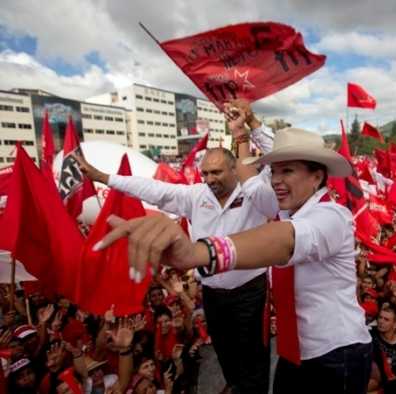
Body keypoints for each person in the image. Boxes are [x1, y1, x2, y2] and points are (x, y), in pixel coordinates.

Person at [94, 122, 373, 393]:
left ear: (317, 176)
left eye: (287, 171)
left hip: (336, 355)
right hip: (294, 352)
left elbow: (285, 241)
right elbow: (250, 179)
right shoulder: (283, 208)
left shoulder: (333, 216)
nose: (275, 180)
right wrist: (241, 132)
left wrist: (199, 252)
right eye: (273, 171)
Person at [75, 100, 274, 394]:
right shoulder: (196, 195)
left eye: (217, 173)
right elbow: (153, 190)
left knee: (254, 362)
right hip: (214, 297)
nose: (209, 180)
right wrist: (105, 178)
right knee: (227, 357)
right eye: (205, 173)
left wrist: (253, 124)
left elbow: (278, 157)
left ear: (235, 169)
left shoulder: (256, 191)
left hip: (250, 294)